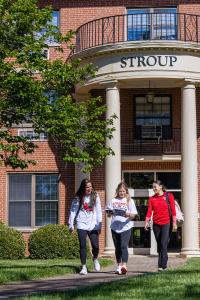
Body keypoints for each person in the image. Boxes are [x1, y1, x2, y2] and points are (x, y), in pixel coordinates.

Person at [68, 178, 102, 275]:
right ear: (83, 187)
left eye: (90, 186)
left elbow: (99, 210)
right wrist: (71, 225)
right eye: (87, 187)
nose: (89, 188)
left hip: (93, 224)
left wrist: (99, 223)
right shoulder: (78, 198)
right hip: (81, 223)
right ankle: (83, 267)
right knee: (82, 245)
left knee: (96, 246)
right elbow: (73, 211)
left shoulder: (95, 196)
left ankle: (95, 258)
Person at [144, 180, 177, 271]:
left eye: (155, 187)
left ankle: (162, 265)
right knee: (160, 245)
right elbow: (149, 211)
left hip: (166, 223)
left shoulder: (169, 196)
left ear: (161, 186)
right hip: (156, 224)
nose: (153, 188)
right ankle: (162, 264)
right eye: (153, 187)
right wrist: (146, 222)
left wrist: (174, 223)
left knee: (163, 244)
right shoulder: (152, 198)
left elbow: (173, 210)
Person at [106, 181, 138, 275]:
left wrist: (128, 214)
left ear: (126, 191)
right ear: (117, 191)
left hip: (126, 227)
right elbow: (108, 214)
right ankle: (118, 265)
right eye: (120, 191)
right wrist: (110, 212)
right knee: (117, 248)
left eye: (123, 191)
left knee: (123, 246)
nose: (122, 193)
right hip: (115, 227)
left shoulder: (129, 201)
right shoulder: (113, 201)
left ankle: (124, 265)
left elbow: (134, 215)